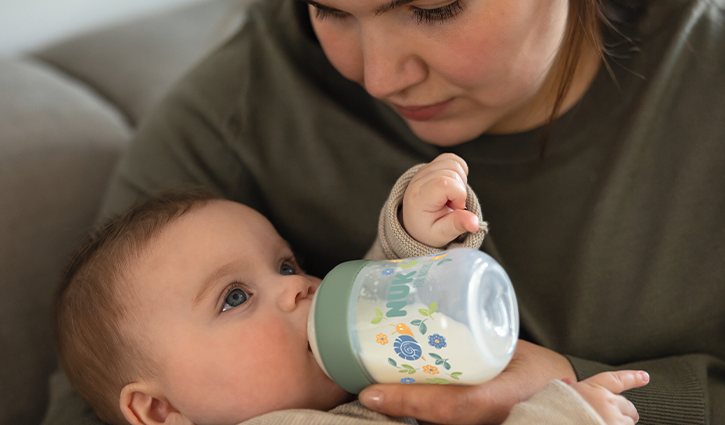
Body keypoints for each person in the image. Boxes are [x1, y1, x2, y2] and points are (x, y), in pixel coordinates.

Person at [43, 0, 725, 424]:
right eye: (328, 9)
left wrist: (576, 390)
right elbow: (101, 376)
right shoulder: (240, 106)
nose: (376, 77)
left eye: (432, 8)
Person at [54, 154, 648, 425]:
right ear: (161, 412)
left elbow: (378, 297)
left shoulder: (350, 369)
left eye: (287, 266)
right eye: (235, 297)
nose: (299, 290)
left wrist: (417, 234)